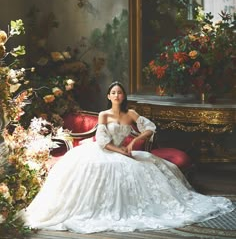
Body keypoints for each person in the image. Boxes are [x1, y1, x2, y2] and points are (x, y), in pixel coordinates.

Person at [21, 81, 234, 233]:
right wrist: (119, 150)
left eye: (119, 92)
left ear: (123, 96)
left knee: (147, 169)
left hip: (126, 151)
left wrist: (132, 142)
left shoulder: (131, 114)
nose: (116, 95)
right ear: (108, 96)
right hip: (103, 151)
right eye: (113, 92)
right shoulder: (104, 115)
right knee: (100, 170)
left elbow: (150, 127)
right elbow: (102, 140)